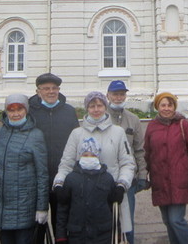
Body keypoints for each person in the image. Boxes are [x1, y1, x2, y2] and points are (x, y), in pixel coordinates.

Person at [54, 91, 135, 237]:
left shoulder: (118, 132)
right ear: (87, 108)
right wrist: (59, 184)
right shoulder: (77, 134)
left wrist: (122, 185)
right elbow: (66, 163)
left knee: (113, 236)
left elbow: (127, 163)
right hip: (83, 197)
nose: (96, 110)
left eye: (99, 105)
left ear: (105, 106)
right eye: (92, 106)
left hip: (111, 196)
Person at [0, 94, 49, 244]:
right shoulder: (0, 133)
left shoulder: (35, 135)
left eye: (19, 109)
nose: (15, 114)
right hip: (2, 206)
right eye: (11, 110)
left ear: (26, 110)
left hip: (24, 207)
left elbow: (42, 174)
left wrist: (42, 207)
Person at [144, 92, 188, 244]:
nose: (167, 108)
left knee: (176, 220)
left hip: (178, 179)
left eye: (170, 105)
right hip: (159, 180)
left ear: (174, 107)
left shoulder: (183, 125)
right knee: (168, 221)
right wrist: (143, 175)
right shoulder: (152, 126)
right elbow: (147, 153)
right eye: (163, 105)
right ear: (157, 107)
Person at [28, 72, 79, 242]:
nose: (51, 92)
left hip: (62, 178)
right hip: (37, 179)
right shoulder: (30, 113)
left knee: (61, 226)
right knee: (36, 227)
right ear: (38, 91)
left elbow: (76, 142)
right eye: (46, 88)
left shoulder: (68, 112)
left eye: (55, 88)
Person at [55, 137, 125, 244]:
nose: (89, 158)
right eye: (85, 155)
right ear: (80, 156)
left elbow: (113, 209)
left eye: (92, 155)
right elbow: (63, 210)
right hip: (77, 236)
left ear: (98, 156)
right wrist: (61, 236)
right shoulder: (71, 178)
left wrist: (118, 233)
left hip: (102, 235)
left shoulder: (107, 178)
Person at [105, 79, 148, 244]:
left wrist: (142, 174)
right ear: (108, 95)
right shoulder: (102, 116)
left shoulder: (133, 119)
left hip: (128, 177)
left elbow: (139, 149)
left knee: (127, 220)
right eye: (115, 94)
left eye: (121, 94)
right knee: (106, 220)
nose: (118, 97)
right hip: (105, 176)